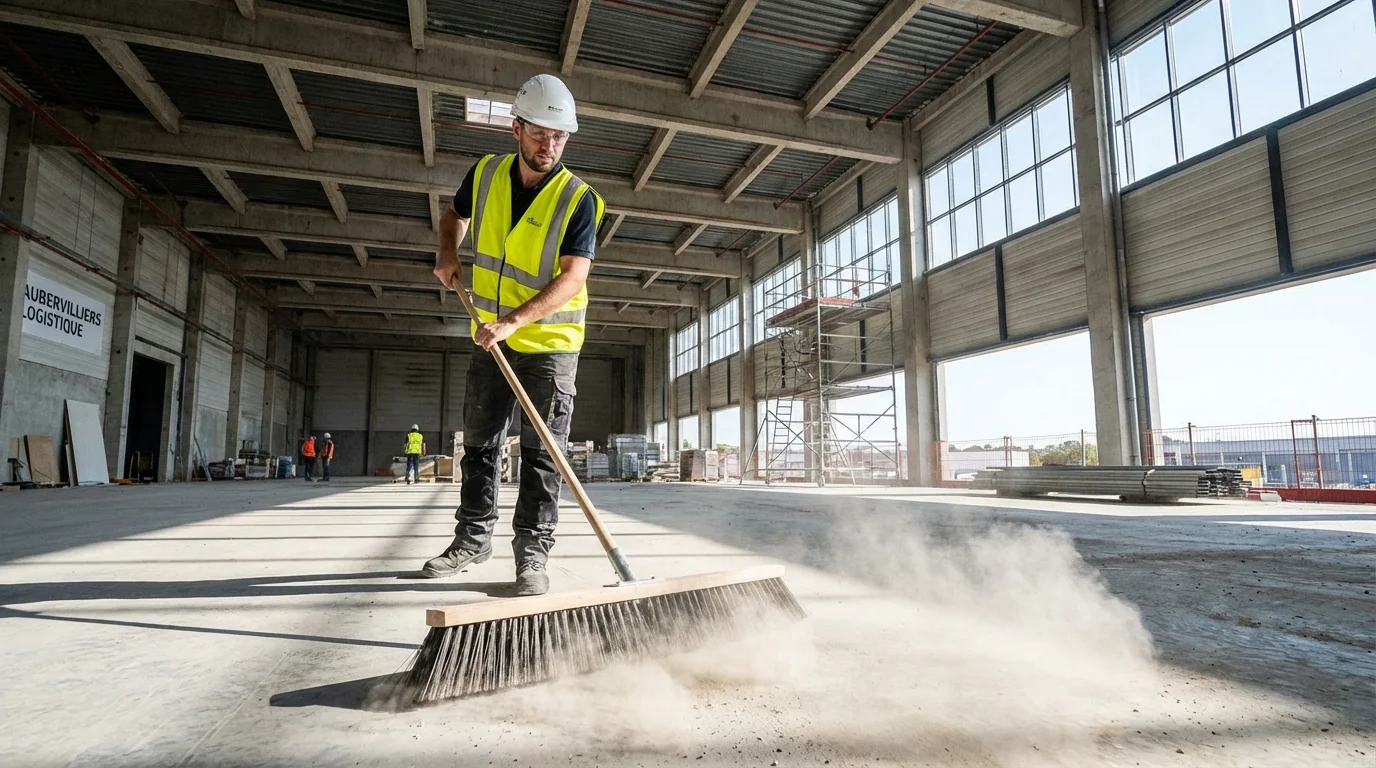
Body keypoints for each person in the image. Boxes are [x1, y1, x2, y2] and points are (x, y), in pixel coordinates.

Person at [419, 73, 602, 597]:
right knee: (479, 444)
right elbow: (454, 213)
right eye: (541, 133)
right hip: (490, 336)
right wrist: (447, 252)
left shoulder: (578, 199)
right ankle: (473, 539)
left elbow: (573, 276)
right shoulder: (486, 174)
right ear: (516, 129)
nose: (550, 146)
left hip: (549, 346)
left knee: (544, 454)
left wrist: (515, 321)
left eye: (560, 136)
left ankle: (532, 555)